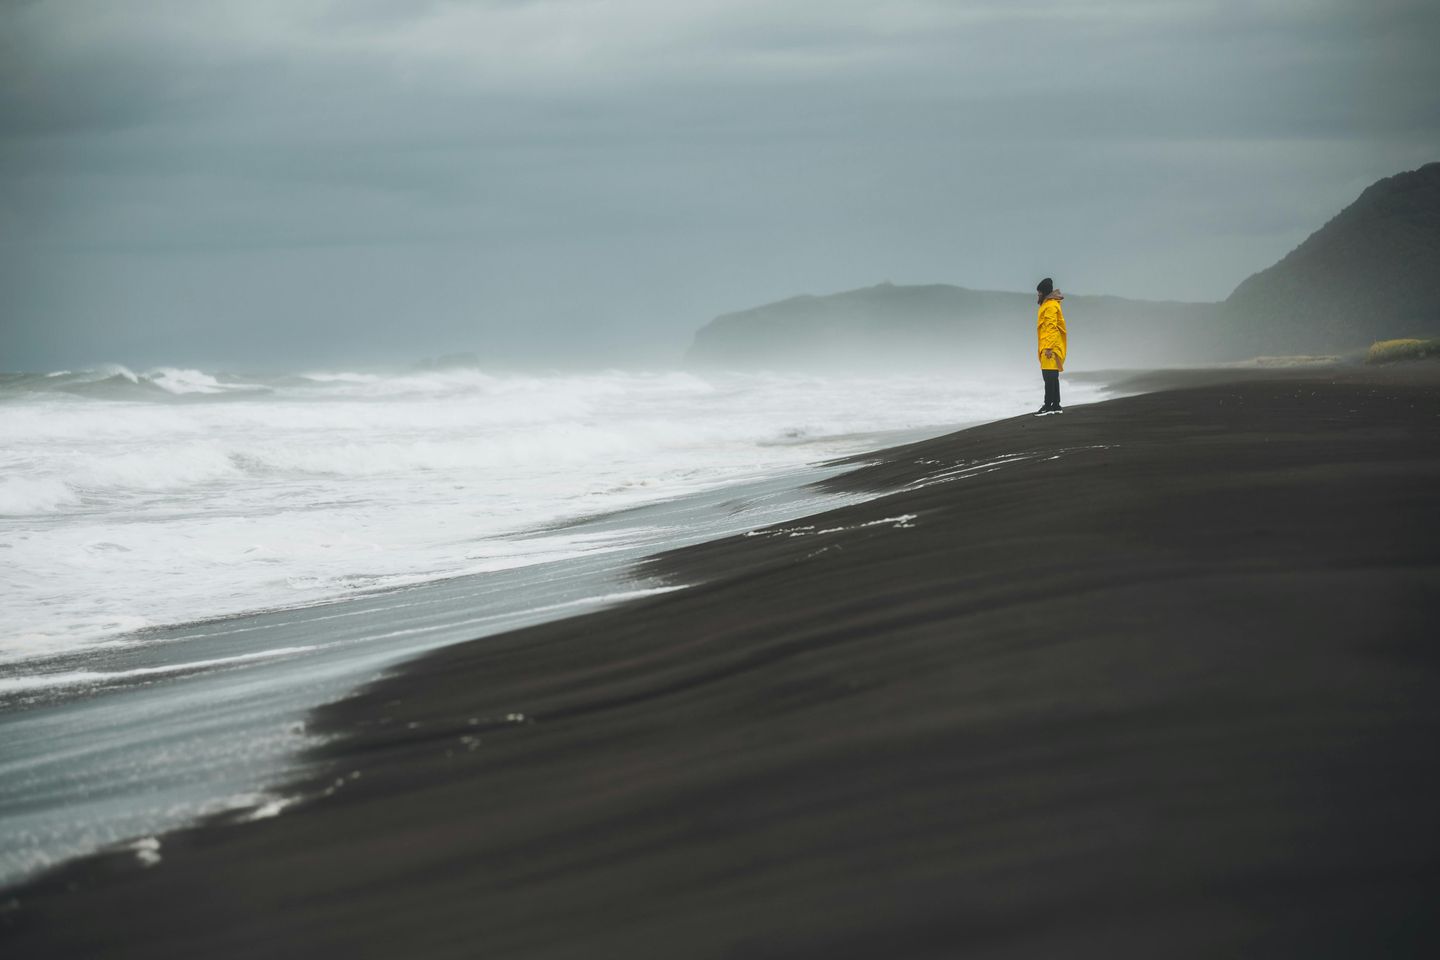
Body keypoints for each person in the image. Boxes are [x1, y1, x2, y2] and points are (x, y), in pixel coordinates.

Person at [1035, 277, 1067, 415]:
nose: (1037, 295)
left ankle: (1048, 406)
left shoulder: (1050, 306)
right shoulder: (1050, 304)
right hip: (1051, 345)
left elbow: (1051, 328)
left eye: (1039, 292)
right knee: (1052, 377)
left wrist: (1048, 347)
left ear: (1044, 293)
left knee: (1048, 377)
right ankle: (1056, 406)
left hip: (1050, 347)